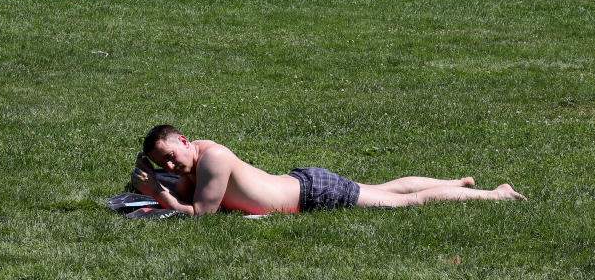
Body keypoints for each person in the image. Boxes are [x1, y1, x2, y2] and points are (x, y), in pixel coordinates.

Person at [131, 125, 526, 216]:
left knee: (407, 203)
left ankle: (496, 194)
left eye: (170, 156)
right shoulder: (195, 159)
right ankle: (456, 182)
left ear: (183, 139)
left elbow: (201, 212)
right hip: (305, 184)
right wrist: (162, 183)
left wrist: (160, 196)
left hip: (314, 193)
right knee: (385, 188)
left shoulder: (212, 158)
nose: (169, 165)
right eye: (162, 162)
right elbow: (187, 190)